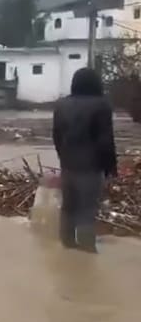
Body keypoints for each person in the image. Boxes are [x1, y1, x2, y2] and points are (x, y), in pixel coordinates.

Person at [52, 67, 117, 253]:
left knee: (68, 208)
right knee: (87, 210)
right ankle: (87, 250)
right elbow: (105, 140)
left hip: (68, 166)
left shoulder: (61, 105)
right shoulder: (102, 105)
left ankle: (67, 245)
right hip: (91, 167)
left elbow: (56, 136)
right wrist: (111, 167)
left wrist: (63, 158)